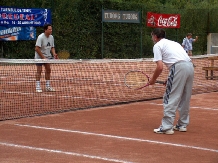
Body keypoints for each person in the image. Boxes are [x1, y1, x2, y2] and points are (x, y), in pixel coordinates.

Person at [149, 28, 194, 135]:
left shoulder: (157, 45)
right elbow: (180, 60)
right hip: (190, 67)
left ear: (155, 36)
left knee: (170, 97)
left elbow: (160, 67)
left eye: (152, 36)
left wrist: (153, 80)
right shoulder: (174, 43)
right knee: (185, 97)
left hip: (178, 68)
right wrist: (169, 79)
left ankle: (166, 127)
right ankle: (182, 125)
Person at [35, 23, 58, 93]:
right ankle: (38, 87)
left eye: (51, 29)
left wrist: (54, 54)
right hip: (39, 56)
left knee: (48, 69)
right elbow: (36, 48)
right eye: (49, 29)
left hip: (47, 56)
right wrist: (43, 57)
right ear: (45, 30)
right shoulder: (40, 37)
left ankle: (48, 86)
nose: (51, 30)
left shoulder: (51, 37)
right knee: (39, 70)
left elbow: (52, 47)